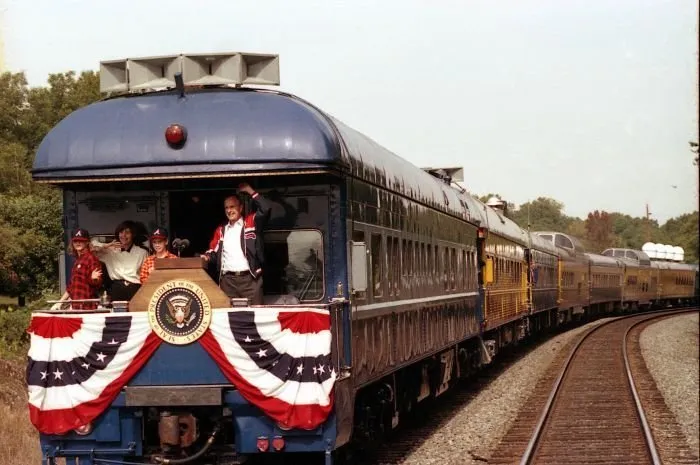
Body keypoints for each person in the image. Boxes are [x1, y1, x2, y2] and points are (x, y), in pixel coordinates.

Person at [203, 182, 272, 305]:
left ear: (240, 208)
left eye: (232, 207)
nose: (229, 211)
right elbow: (213, 251)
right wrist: (206, 257)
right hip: (227, 281)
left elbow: (266, 208)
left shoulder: (251, 222)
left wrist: (250, 191)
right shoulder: (221, 230)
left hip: (250, 280)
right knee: (227, 318)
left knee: (257, 316)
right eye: (226, 208)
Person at [93, 220, 148, 302]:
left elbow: (146, 275)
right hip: (116, 288)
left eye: (127, 232)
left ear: (133, 235)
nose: (123, 235)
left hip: (135, 289)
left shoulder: (142, 252)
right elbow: (91, 248)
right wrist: (106, 245)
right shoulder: (110, 251)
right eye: (121, 232)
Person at [52, 228, 103, 310]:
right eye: (75, 241)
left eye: (81, 240)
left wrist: (93, 279)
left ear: (87, 242)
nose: (78, 243)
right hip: (76, 306)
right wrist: (60, 302)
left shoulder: (92, 259)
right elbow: (71, 287)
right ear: (72, 243)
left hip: (88, 307)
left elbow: (98, 284)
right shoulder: (77, 261)